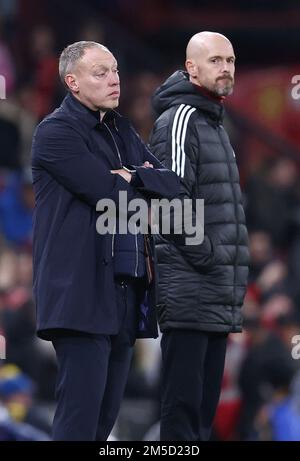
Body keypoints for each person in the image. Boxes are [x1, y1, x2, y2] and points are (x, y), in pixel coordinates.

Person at [31, 41, 179, 441]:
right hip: (79, 296)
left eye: (115, 70)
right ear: (72, 82)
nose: (114, 79)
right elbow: (107, 193)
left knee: (102, 425)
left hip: (125, 294)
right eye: (101, 72)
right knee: (78, 426)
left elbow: (177, 190)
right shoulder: (54, 133)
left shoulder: (123, 130)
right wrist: (133, 183)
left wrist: (134, 176)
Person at [149, 31, 249, 441]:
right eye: (215, 61)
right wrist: (210, 256)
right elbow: (168, 203)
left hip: (213, 296)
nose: (225, 68)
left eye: (230, 60)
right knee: (182, 419)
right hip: (192, 290)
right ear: (191, 68)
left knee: (201, 419)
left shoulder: (212, 122)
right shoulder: (181, 119)